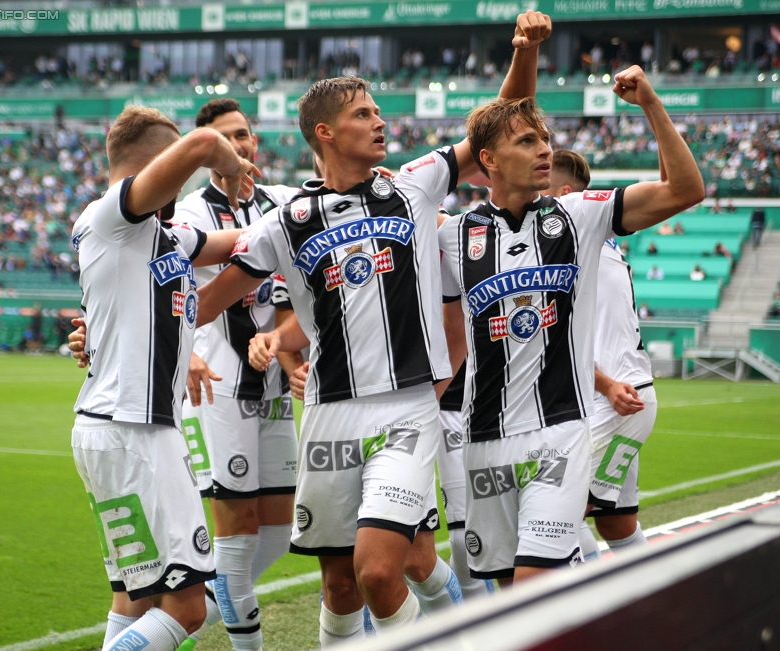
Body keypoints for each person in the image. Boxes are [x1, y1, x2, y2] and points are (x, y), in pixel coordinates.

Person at [193, 11, 553, 644]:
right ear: (325, 133)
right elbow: (207, 301)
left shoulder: (412, 187)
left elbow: (504, 119)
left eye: (379, 112)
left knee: (381, 573)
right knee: (339, 584)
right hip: (329, 413)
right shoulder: (287, 221)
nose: (381, 122)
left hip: (408, 410)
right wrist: (115, 331)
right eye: (365, 115)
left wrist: (522, 50)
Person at [438, 65, 704, 584]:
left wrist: (650, 102)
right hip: (484, 437)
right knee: (506, 589)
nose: (544, 150)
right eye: (527, 141)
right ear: (487, 160)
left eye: (545, 140)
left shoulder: (579, 215)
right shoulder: (452, 236)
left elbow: (685, 190)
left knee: (535, 585)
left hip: (560, 431)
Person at [69, 105, 259, 651]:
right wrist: (233, 164)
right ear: (156, 165)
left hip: (116, 428)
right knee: (186, 608)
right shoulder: (113, 215)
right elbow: (201, 145)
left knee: (136, 598)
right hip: (137, 429)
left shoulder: (164, 234)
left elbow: (240, 245)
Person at [171, 98, 303, 651]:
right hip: (217, 386)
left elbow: (301, 288)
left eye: (244, 134)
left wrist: (287, 349)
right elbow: (164, 287)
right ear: (207, 152)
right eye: (225, 137)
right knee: (237, 529)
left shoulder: (285, 203)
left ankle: (200, 596)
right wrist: (186, 354)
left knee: (278, 528)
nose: (240, 145)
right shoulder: (189, 213)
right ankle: (240, 635)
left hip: (273, 385)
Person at [542, 150, 657, 562]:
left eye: (542, 189)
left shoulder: (575, 253)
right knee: (617, 524)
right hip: (617, 397)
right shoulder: (603, 250)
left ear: (567, 196)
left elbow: (568, 343)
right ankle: (654, 612)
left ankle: (586, 616)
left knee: (554, 517)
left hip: (614, 401)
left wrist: (606, 386)